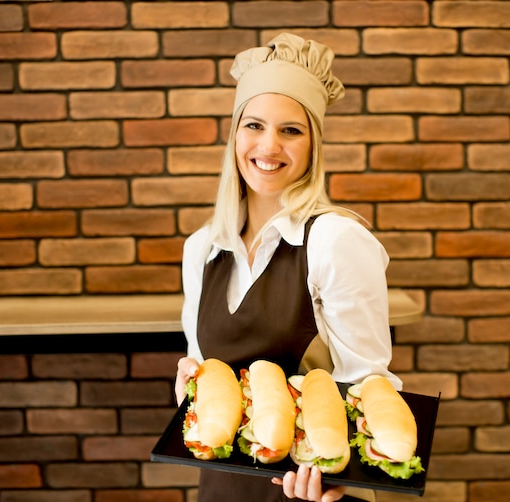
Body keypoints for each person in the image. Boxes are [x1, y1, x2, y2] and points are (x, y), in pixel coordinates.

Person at [174, 33, 402, 502]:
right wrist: (188, 393)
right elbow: (210, 378)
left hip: (311, 490)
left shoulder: (335, 240)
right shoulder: (202, 248)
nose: (269, 145)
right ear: (235, 134)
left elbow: (369, 386)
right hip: (222, 484)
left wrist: (342, 478)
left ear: (313, 144)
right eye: (254, 125)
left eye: (291, 130)